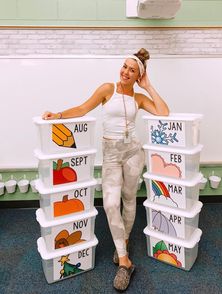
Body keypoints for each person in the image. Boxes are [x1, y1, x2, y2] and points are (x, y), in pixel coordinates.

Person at [42, 48, 169, 291]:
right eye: (124, 66)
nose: (126, 72)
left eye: (132, 70)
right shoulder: (107, 89)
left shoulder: (139, 98)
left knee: (129, 199)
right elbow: (82, 109)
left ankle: (123, 253)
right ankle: (125, 258)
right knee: (111, 203)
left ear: (138, 76)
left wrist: (148, 86)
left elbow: (163, 112)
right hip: (111, 153)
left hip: (133, 151)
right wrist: (56, 115)